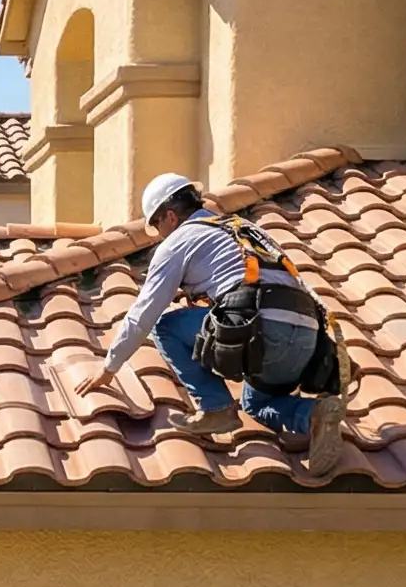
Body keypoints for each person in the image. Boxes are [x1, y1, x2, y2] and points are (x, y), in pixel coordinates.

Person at [77, 171, 350, 475]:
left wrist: (109, 367)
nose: (160, 234)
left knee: (165, 326)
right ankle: (314, 414)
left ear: (169, 216)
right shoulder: (244, 229)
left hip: (261, 329)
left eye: (156, 226)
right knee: (254, 403)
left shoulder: (179, 241)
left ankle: (215, 407)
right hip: (308, 342)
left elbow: (145, 312)